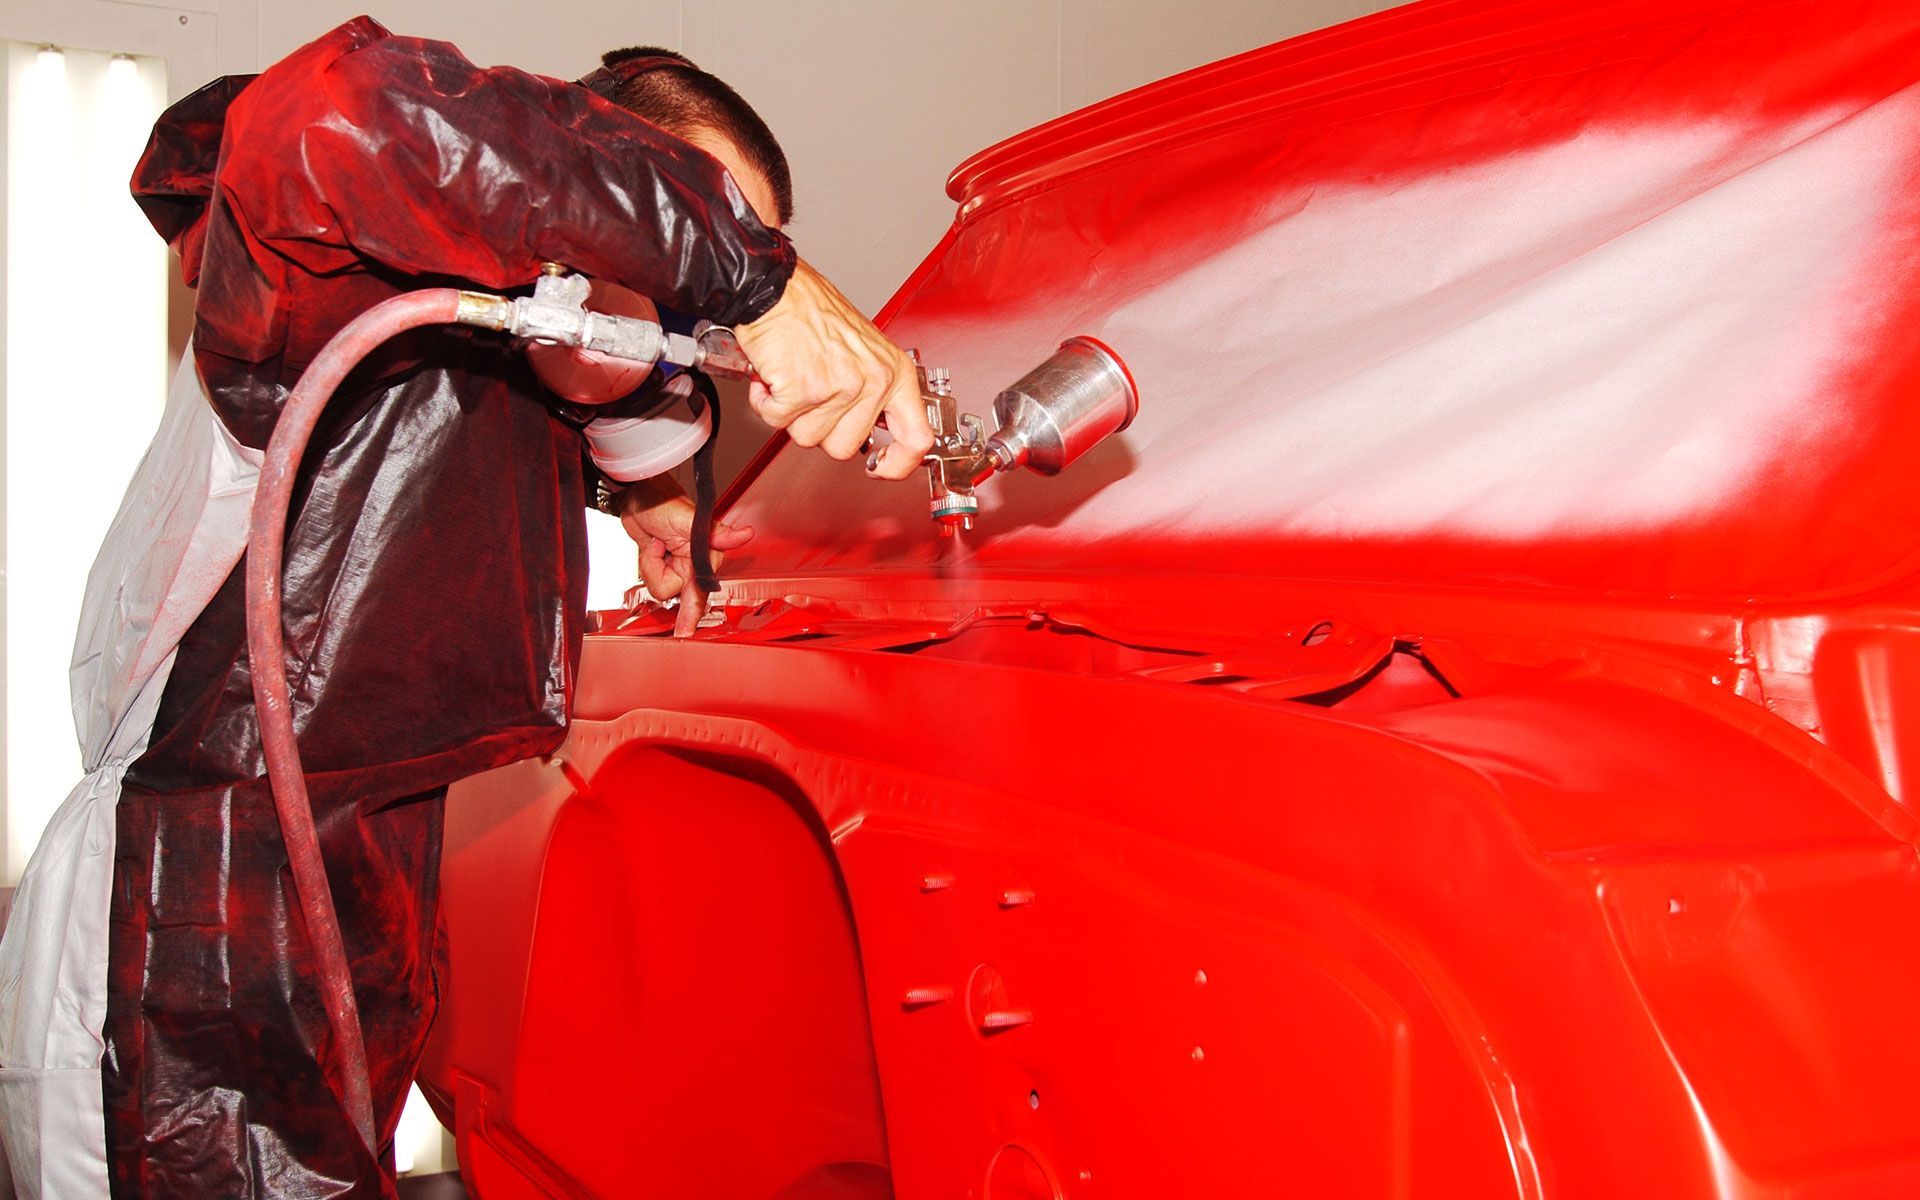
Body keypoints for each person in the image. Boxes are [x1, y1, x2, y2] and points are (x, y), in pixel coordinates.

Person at [0, 18, 933, 1198]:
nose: (685, 302)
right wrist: (761, 280)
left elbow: (589, 373)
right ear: (569, 191)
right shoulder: (330, 289)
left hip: (322, 933)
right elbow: (343, 108)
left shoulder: (498, 373)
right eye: (682, 223)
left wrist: (645, 485)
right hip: (177, 958)